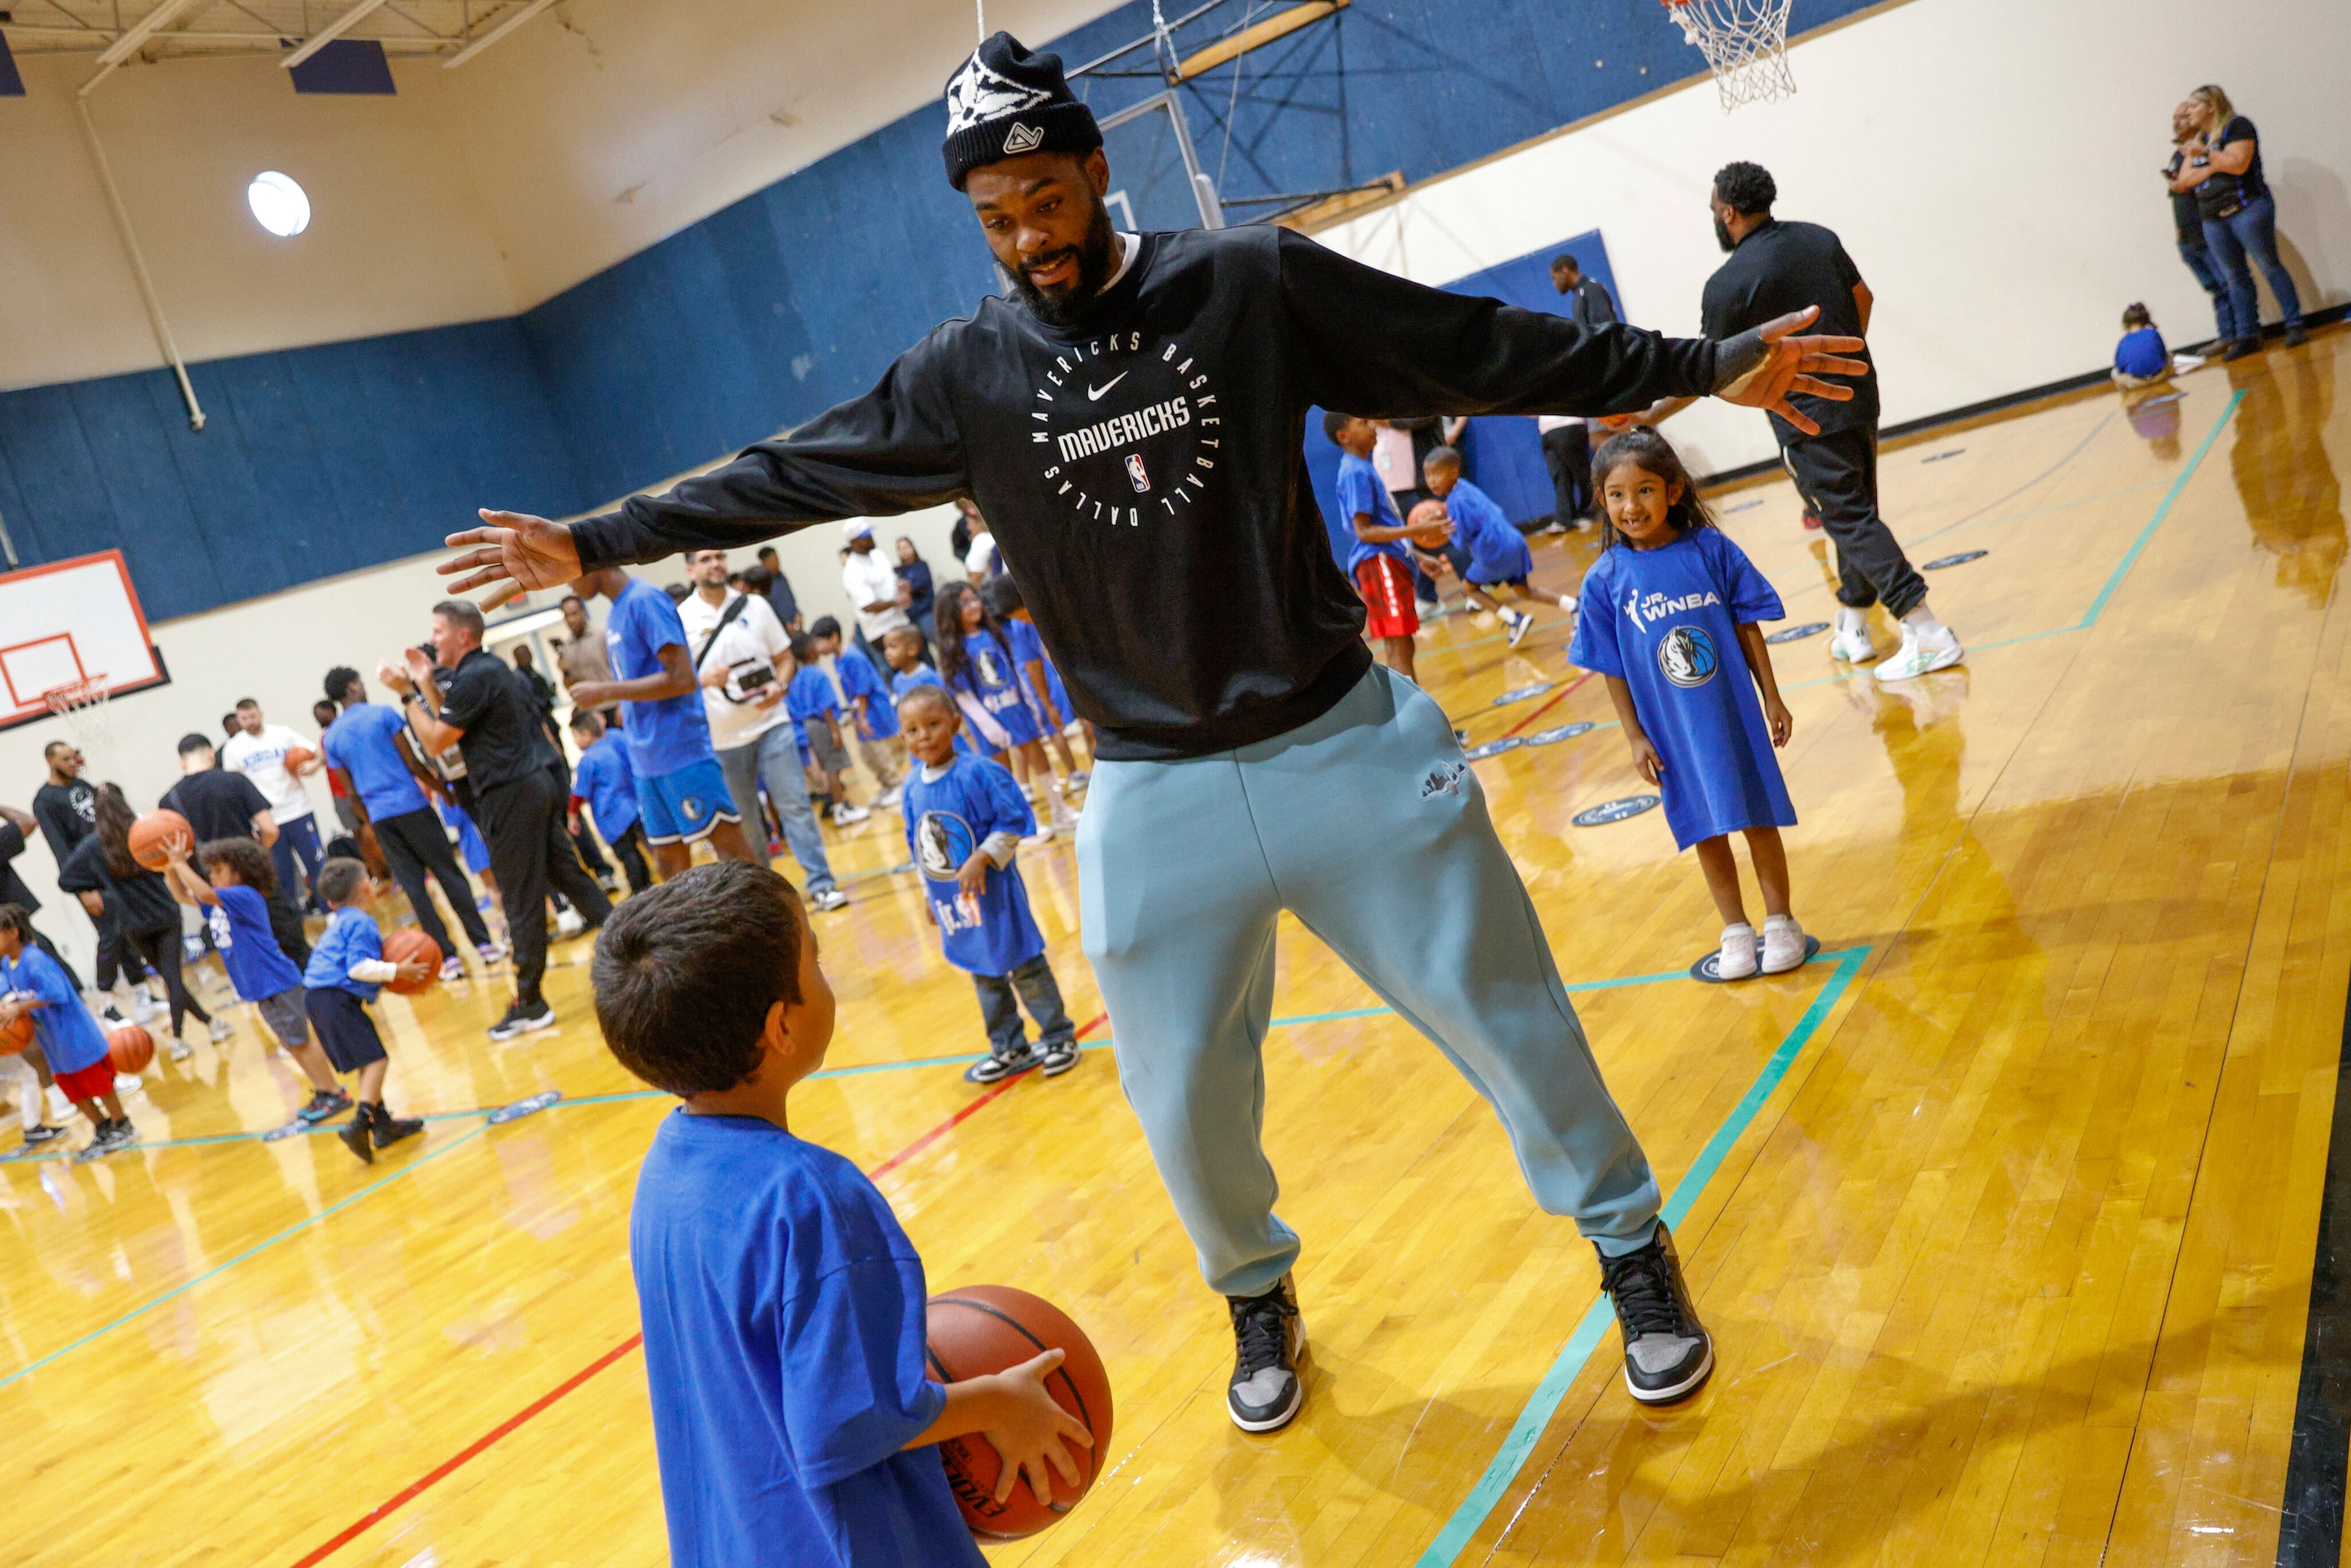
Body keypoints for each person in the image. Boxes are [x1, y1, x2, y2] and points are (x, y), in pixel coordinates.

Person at [440, 28, 1867, 1430]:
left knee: (1511, 1018)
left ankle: (1631, 1250)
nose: (1027, 239)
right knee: (1176, 1093)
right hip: (1150, 788)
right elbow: (794, 472)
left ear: (1092, 169)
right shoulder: (962, 373)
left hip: (1343, 742)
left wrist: (1698, 358)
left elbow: (1473, 342)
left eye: (1045, 204)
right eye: (996, 220)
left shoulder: (1241, 281)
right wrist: (597, 537)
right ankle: (1255, 1291)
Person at [593, 859, 1090, 1566]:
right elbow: (848, 1421)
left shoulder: (665, 1172)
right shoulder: (809, 1199)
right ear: (782, 1027)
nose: (828, 974)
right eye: (815, 959)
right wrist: (996, 1403)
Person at [1637, 162, 1964, 682]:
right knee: (1855, 513)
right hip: (1859, 393)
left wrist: (1646, 414)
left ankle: (1924, 628)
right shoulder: (1819, 239)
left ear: (1727, 211)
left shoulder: (1727, 283)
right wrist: (1844, 355)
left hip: (1805, 417)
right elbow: (1864, 299)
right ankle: (1854, 624)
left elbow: (1705, 370)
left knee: (1848, 517)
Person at [1571, 429, 1805, 978]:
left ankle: (1780, 922)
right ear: (1602, 500)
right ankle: (1736, 930)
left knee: (1758, 817)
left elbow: (1747, 626)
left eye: (1646, 490)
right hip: (1671, 730)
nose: (1632, 506)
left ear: (1674, 491)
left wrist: (1771, 696)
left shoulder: (1711, 550)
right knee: (1704, 825)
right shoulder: (1603, 581)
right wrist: (1634, 736)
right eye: (1618, 494)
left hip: (1733, 716)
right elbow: (1611, 667)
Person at [380, 601, 613, 1042]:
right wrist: (426, 683)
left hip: (511, 792)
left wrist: (406, 692)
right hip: (533, 783)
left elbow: (435, 739)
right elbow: (452, 720)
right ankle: (634, 943)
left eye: (438, 631)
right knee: (568, 875)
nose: (432, 639)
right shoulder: (483, 672)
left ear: (462, 636)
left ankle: (530, 1003)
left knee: (521, 896)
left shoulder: (475, 676)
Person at [898, 685, 1081, 1083]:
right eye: (912, 730)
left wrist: (982, 856)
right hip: (957, 903)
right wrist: (929, 894)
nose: (924, 736)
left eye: (933, 724)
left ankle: (1058, 1037)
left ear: (956, 723)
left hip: (995, 896)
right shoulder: (911, 787)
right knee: (983, 972)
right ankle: (1010, 1047)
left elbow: (1013, 820)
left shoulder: (980, 772)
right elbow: (919, 844)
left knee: (1025, 966)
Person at [672, 549, 847, 908]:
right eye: (705, 559)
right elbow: (676, 681)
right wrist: (704, 678)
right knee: (748, 823)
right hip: (722, 740)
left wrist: (779, 687)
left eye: (719, 556)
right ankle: (768, 901)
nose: (716, 563)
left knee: (796, 805)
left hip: (772, 726)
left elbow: (784, 658)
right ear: (690, 570)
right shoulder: (681, 618)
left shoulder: (755, 606)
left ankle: (822, 884)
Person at [567, 569, 765, 879]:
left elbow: (683, 678)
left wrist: (607, 691)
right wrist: (625, 703)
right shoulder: (616, 611)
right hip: (646, 761)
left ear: (596, 563)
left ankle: (779, 925)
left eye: (570, 573)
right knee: (669, 863)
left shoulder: (644, 600)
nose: (569, 584)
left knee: (732, 853)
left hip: (680, 752)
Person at [322, 666, 502, 981]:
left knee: (417, 890)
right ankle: (484, 945)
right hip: (412, 806)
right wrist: (441, 789)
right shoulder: (383, 714)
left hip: (381, 819)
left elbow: (350, 793)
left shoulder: (332, 737)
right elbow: (413, 762)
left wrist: (371, 823)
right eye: (360, 683)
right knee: (449, 875)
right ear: (352, 686)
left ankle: (448, 959)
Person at [160, 834, 356, 1119]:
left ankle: (335, 1092)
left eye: (218, 871)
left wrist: (181, 862)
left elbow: (202, 893)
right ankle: (324, 1092)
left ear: (239, 872)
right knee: (290, 1043)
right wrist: (171, 868)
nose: (212, 876)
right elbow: (182, 896)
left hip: (277, 981)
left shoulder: (244, 896)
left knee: (300, 1041)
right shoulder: (220, 902)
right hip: (261, 987)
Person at [60, 785, 221, 1060]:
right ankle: (180, 1038)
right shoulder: (145, 830)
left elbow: (66, 880)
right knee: (172, 978)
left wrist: (93, 888)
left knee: (170, 978)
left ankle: (209, 1023)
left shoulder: (92, 846)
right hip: (164, 913)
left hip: (132, 922)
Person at [302, 857, 429, 1163]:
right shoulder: (360, 922)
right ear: (365, 887)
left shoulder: (343, 921)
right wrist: (397, 970)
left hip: (319, 999)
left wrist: (388, 973)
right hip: (333, 1000)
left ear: (331, 902)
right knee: (376, 1059)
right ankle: (360, 1123)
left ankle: (383, 1125)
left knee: (365, 1059)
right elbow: (358, 968)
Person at [934, 580, 1072, 837]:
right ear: (950, 611)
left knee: (1038, 756)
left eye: (974, 598)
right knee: (1001, 775)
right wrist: (989, 726)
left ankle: (1059, 810)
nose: (974, 605)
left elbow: (1014, 671)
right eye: (964, 602)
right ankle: (1025, 828)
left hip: (1016, 709)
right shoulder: (954, 649)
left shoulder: (994, 632)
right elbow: (963, 696)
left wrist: (1030, 703)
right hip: (989, 721)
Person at [2180, 83, 2306, 359]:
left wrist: (2207, 157)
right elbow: (2184, 181)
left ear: (2211, 105)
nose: (2188, 110)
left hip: (2247, 209)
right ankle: (2248, 335)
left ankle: (2294, 324)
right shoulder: (2197, 140)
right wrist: (2215, 162)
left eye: (2193, 105)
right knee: (2234, 278)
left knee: (2268, 266)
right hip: (2213, 219)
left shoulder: (2237, 126)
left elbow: (2237, 164)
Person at [164, 732, 311, 966]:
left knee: (249, 961)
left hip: (215, 891)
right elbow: (270, 829)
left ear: (182, 763)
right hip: (254, 879)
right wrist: (255, 853)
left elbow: (172, 855)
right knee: (294, 949)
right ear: (211, 754)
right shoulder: (234, 780)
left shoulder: (168, 802)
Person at [0, 903, 134, 1156]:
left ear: (12, 932)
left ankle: (123, 1125)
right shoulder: (9, 965)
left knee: (100, 1085)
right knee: (72, 1089)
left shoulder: (34, 960)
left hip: (75, 1036)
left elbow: (56, 992)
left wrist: (20, 1008)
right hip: (54, 1043)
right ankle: (102, 1129)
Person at [1326, 412, 1446, 683]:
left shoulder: (1362, 467)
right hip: (1379, 564)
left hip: (1387, 560)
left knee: (1403, 644)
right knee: (1399, 646)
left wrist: (1413, 553)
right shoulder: (1355, 471)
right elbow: (1364, 531)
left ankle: (1413, 721)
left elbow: (1380, 524)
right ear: (1343, 436)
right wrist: (1418, 530)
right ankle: (1412, 724)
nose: (1373, 425)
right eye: (1362, 422)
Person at [1418, 445, 1575, 646]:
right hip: (1513, 540)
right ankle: (1573, 605)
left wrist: (1444, 534)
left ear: (1453, 472)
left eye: (1437, 474)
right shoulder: (1464, 486)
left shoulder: (1455, 502)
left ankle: (1513, 619)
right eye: (1427, 475)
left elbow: (1463, 540)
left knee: (1469, 588)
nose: (1431, 480)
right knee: (1523, 591)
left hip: (1494, 550)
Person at [978, 574, 1092, 782]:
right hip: (1059, 679)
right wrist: (1047, 704)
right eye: (1019, 618)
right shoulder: (1020, 627)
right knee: (1072, 728)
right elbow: (1033, 665)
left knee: (1092, 728)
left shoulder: (1056, 604)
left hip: (1090, 672)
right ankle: (1077, 775)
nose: (1026, 620)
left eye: (1025, 614)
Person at [220, 699, 328, 911]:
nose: (250, 722)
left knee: (317, 866)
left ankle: (331, 913)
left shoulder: (282, 733)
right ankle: (293, 925)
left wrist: (314, 765)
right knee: (281, 876)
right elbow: (233, 788)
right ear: (239, 719)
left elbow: (318, 752)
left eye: (253, 716)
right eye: (244, 718)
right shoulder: (233, 749)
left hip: (299, 810)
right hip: (268, 820)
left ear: (261, 713)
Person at [1537, 254, 1620, 532]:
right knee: (1599, 442)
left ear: (1564, 270)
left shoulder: (1591, 290)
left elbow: (1607, 331)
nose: (1553, 283)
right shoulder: (1577, 297)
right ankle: (1614, 504)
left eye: (1553, 277)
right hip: (1594, 382)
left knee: (1608, 440)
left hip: (1606, 380)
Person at [807, 615, 907, 803]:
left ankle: (896, 785)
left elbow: (862, 690)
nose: (818, 647)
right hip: (859, 712)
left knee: (878, 750)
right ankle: (886, 785)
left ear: (834, 637)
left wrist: (862, 718)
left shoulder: (852, 656)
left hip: (872, 709)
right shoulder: (838, 660)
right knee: (866, 754)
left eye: (820, 641)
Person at [2164, 100, 2234, 350]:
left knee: (2228, 285)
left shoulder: (2204, 151)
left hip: (2207, 232)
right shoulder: (2178, 155)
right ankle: (2228, 336)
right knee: (2216, 288)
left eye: (2184, 115)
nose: (2178, 121)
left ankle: (2241, 334)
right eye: (2175, 116)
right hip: (2188, 238)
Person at [783, 633, 871, 825]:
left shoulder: (797, 678)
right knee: (834, 768)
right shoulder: (818, 674)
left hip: (809, 725)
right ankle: (840, 809)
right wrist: (835, 731)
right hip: (823, 724)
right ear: (811, 650)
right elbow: (826, 706)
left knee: (829, 767)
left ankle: (838, 806)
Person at [568, 709, 656, 896]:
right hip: (630, 808)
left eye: (575, 736)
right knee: (636, 849)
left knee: (626, 854)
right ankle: (646, 882)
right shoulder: (611, 746)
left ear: (585, 734)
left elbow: (578, 793)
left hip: (612, 816)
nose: (575, 742)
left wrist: (572, 816)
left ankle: (639, 889)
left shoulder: (587, 761)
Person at [841, 518, 913, 670]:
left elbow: (890, 581)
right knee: (900, 672)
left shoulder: (878, 554)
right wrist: (896, 601)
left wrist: (901, 586)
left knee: (918, 664)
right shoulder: (852, 570)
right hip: (881, 631)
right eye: (865, 537)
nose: (871, 538)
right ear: (854, 542)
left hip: (900, 620)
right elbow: (867, 606)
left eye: (870, 534)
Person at [552, 594, 619, 727]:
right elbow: (570, 686)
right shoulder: (567, 646)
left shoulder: (602, 633)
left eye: (574, 614)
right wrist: (565, 672)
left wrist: (624, 704)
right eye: (567, 616)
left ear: (583, 613)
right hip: (592, 713)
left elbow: (622, 668)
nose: (571, 619)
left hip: (615, 704)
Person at [895, 536, 938, 653]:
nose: (904, 551)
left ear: (912, 547)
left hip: (926, 613)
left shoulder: (922, 565)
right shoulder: (898, 571)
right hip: (910, 618)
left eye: (906, 547)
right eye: (900, 549)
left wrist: (906, 588)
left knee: (939, 643)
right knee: (921, 652)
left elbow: (920, 586)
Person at [2113, 304, 2171, 389]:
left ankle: (2127, 396)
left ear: (2125, 324)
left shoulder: (2123, 342)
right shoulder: (2153, 333)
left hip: (2136, 383)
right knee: (2169, 356)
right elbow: (2163, 356)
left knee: (2114, 372)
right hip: (2159, 377)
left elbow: (2120, 367)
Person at [751, 545, 801, 631]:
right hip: (780, 630)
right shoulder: (763, 584)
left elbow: (790, 600)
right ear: (765, 562)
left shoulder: (782, 578)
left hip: (795, 627)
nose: (778, 562)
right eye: (775, 560)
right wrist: (785, 624)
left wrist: (798, 615)